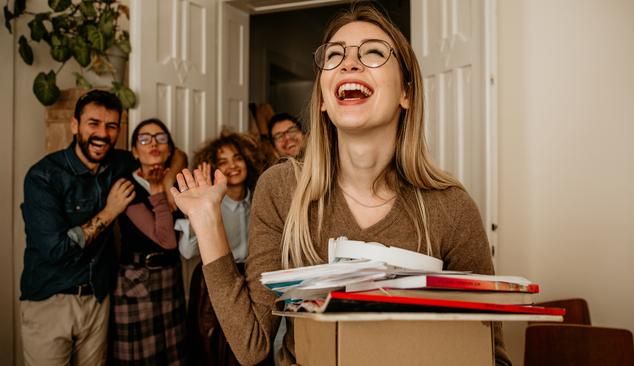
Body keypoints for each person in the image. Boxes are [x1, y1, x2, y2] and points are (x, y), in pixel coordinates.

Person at [171, 4, 511, 366]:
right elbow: (252, 345)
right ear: (321, 98)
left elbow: (492, 354)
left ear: (406, 93)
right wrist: (206, 221)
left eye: (374, 52)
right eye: (334, 55)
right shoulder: (282, 188)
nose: (349, 63)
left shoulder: (451, 207)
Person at [20, 90, 135, 365]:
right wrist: (110, 211)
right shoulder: (43, 176)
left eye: (111, 126)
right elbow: (56, 250)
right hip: (50, 301)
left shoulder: (118, 163)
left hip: (98, 299)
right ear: (75, 125)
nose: (102, 134)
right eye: (93, 123)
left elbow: (168, 154)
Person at [184, 132, 273, 366]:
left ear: (248, 160)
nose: (232, 166)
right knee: (214, 352)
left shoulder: (261, 198)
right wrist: (196, 216)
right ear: (214, 169)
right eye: (223, 161)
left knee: (254, 346)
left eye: (237, 158)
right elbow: (186, 250)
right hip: (216, 282)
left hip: (255, 279)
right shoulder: (208, 203)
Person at [109, 118, 188, 364]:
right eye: (144, 139)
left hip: (170, 276)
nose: (153, 143)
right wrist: (156, 191)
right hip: (135, 281)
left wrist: (166, 181)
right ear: (134, 150)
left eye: (160, 138)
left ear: (169, 148)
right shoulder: (126, 186)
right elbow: (166, 240)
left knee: (173, 356)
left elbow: (182, 155)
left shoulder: (176, 181)